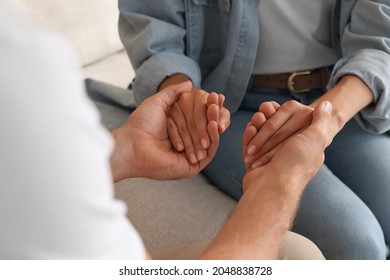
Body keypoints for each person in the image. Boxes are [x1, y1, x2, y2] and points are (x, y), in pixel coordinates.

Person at [0, 0, 329, 260]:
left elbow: (21, 179)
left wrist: (126, 148)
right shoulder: (23, 66)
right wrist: (280, 182)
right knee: (303, 255)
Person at [118, 0, 390, 259]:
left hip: (347, 94)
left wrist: (327, 116)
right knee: (357, 243)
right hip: (229, 107)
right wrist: (182, 95)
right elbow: (153, 25)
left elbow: (382, 33)